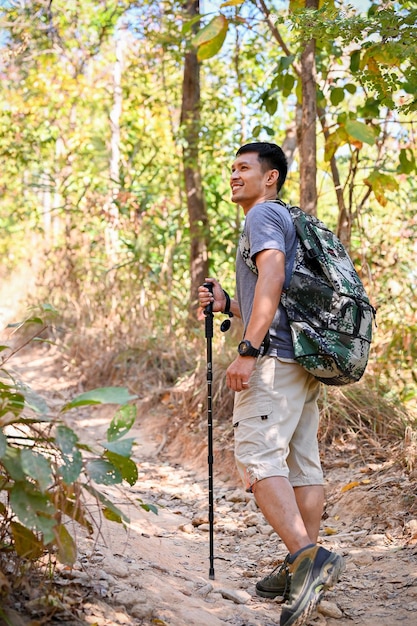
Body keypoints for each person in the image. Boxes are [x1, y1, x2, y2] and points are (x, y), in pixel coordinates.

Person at [198, 142, 344, 626]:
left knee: (258, 458)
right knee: (302, 464)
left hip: (274, 360)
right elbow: (278, 294)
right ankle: (300, 565)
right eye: (232, 169)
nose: (234, 176)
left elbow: (274, 276)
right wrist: (228, 304)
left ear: (271, 178)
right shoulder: (288, 219)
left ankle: (308, 558)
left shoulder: (261, 217)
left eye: (244, 168)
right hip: (301, 360)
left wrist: (248, 349)